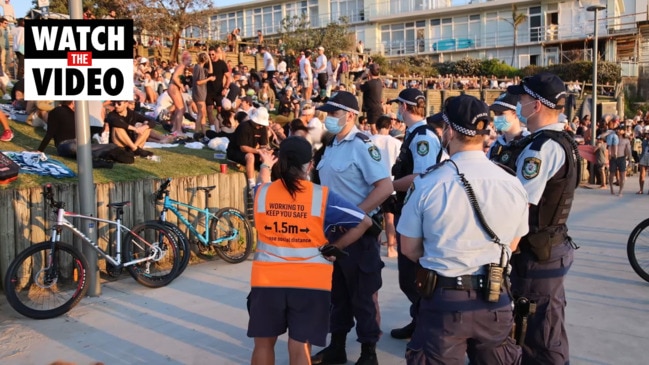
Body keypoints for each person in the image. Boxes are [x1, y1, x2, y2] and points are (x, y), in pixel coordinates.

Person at [397, 94, 528, 364]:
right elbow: (513, 245)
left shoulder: (428, 183)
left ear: (450, 130)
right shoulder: (511, 182)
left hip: (444, 300)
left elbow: (409, 248)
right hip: (496, 297)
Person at [248, 136, 372, 365]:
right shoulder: (321, 196)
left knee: (263, 343)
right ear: (310, 164)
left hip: (267, 281)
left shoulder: (262, 194)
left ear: (281, 162)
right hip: (310, 284)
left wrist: (265, 164)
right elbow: (364, 222)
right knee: (300, 345)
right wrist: (337, 247)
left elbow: (261, 181)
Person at [312, 91, 393, 365]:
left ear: (350, 115)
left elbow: (385, 187)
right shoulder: (331, 146)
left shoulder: (362, 145)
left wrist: (356, 215)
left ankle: (368, 353)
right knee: (337, 294)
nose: (328, 119)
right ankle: (337, 347)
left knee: (363, 296)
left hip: (359, 234)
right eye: (327, 113)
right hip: (331, 233)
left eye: (334, 113)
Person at [507, 72, 580, 365]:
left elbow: (519, 206)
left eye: (522, 99)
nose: (518, 105)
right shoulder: (560, 139)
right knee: (543, 323)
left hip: (537, 252)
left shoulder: (542, 148)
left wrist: (505, 250)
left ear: (536, 105)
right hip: (549, 245)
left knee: (540, 332)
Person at [388, 88, 446, 340]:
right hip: (408, 211)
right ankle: (419, 320)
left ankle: (427, 325)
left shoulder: (422, 137)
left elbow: (421, 177)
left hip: (416, 215)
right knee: (409, 278)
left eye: (398, 105)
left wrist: (389, 186)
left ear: (404, 107)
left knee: (414, 278)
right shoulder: (416, 134)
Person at [369, 115, 402, 258]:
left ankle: (374, 244)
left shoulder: (369, 141)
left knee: (372, 217)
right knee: (390, 218)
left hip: (372, 183)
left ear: (376, 126)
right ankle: (390, 247)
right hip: (390, 184)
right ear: (390, 126)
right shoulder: (395, 142)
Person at [227, 107, 271, 189]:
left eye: (262, 125)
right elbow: (243, 148)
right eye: (259, 124)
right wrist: (259, 151)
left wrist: (266, 151)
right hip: (236, 151)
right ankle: (251, 184)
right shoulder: (244, 126)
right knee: (250, 156)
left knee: (268, 156)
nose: (260, 126)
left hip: (252, 150)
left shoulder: (263, 128)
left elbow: (264, 145)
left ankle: (268, 180)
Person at [487, 92, 530, 168]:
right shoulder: (495, 145)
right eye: (495, 113)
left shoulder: (528, 142)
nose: (496, 117)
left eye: (501, 113)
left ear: (516, 113)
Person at [206, 46, 231, 131]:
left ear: (216, 53)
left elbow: (228, 77)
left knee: (220, 109)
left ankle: (221, 125)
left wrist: (226, 88)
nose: (211, 56)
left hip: (219, 90)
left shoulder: (222, 63)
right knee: (209, 109)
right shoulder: (207, 63)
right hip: (208, 90)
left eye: (213, 54)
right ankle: (213, 127)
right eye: (209, 54)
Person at [167, 51, 192, 135]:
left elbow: (178, 78)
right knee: (181, 109)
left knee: (181, 108)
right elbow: (174, 78)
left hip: (174, 88)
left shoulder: (182, 67)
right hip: (173, 88)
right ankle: (178, 130)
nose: (190, 62)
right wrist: (181, 86)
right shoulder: (181, 66)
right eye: (189, 60)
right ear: (185, 59)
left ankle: (174, 126)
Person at [355, 63, 383, 135]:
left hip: (372, 109)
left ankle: (376, 142)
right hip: (378, 107)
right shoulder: (379, 82)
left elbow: (357, 86)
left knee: (373, 129)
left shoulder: (369, 84)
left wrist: (361, 77)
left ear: (370, 71)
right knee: (378, 128)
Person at [192, 52, 216, 135]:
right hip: (199, 93)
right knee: (200, 113)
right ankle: (196, 132)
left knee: (203, 113)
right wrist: (209, 79)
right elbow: (198, 82)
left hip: (200, 93)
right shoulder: (199, 68)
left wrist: (209, 59)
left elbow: (210, 71)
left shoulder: (200, 68)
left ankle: (203, 131)